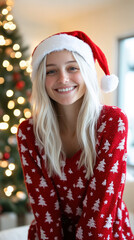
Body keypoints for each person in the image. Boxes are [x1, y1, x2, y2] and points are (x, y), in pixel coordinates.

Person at [17, 31, 134, 240]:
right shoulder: (28, 133)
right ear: (41, 79)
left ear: (87, 71)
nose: (63, 79)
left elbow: (101, 209)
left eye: (72, 68)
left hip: (103, 232)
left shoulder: (113, 122)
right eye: (51, 71)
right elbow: (44, 209)